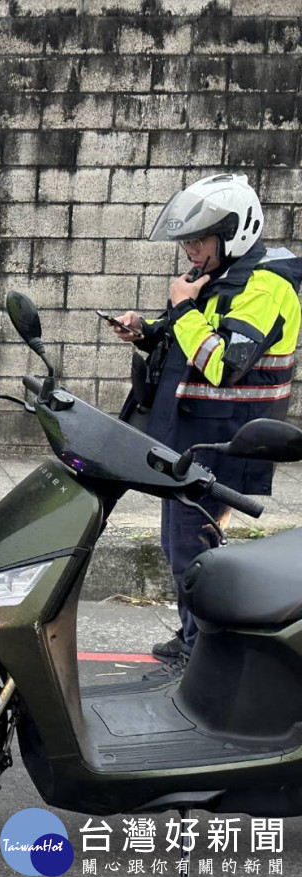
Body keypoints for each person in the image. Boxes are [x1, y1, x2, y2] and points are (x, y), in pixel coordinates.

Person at [111, 174, 301, 679]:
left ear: (234, 232)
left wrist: (181, 308)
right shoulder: (224, 278)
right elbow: (188, 335)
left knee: (194, 555)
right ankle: (190, 637)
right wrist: (145, 330)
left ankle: (201, 658)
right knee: (181, 548)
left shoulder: (268, 286)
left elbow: (223, 362)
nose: (191, 251)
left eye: (199, 239)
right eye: (186, 241)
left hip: (226, 442)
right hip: (193, 439)